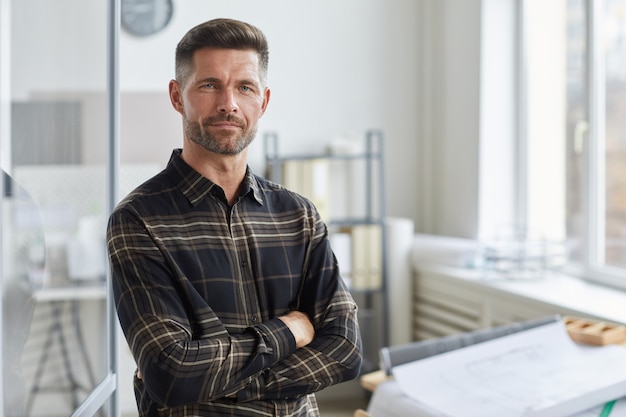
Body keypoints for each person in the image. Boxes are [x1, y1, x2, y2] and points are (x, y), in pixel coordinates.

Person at [107, 18, 363, 417]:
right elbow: (172, 373)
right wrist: (289, 331)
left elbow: (345, 349)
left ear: (263, 101)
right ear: (177, 96)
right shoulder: (139, 219)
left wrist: (236, 389)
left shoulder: (299, 215)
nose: (229, 103)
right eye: (210, 85)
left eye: (245, 87)